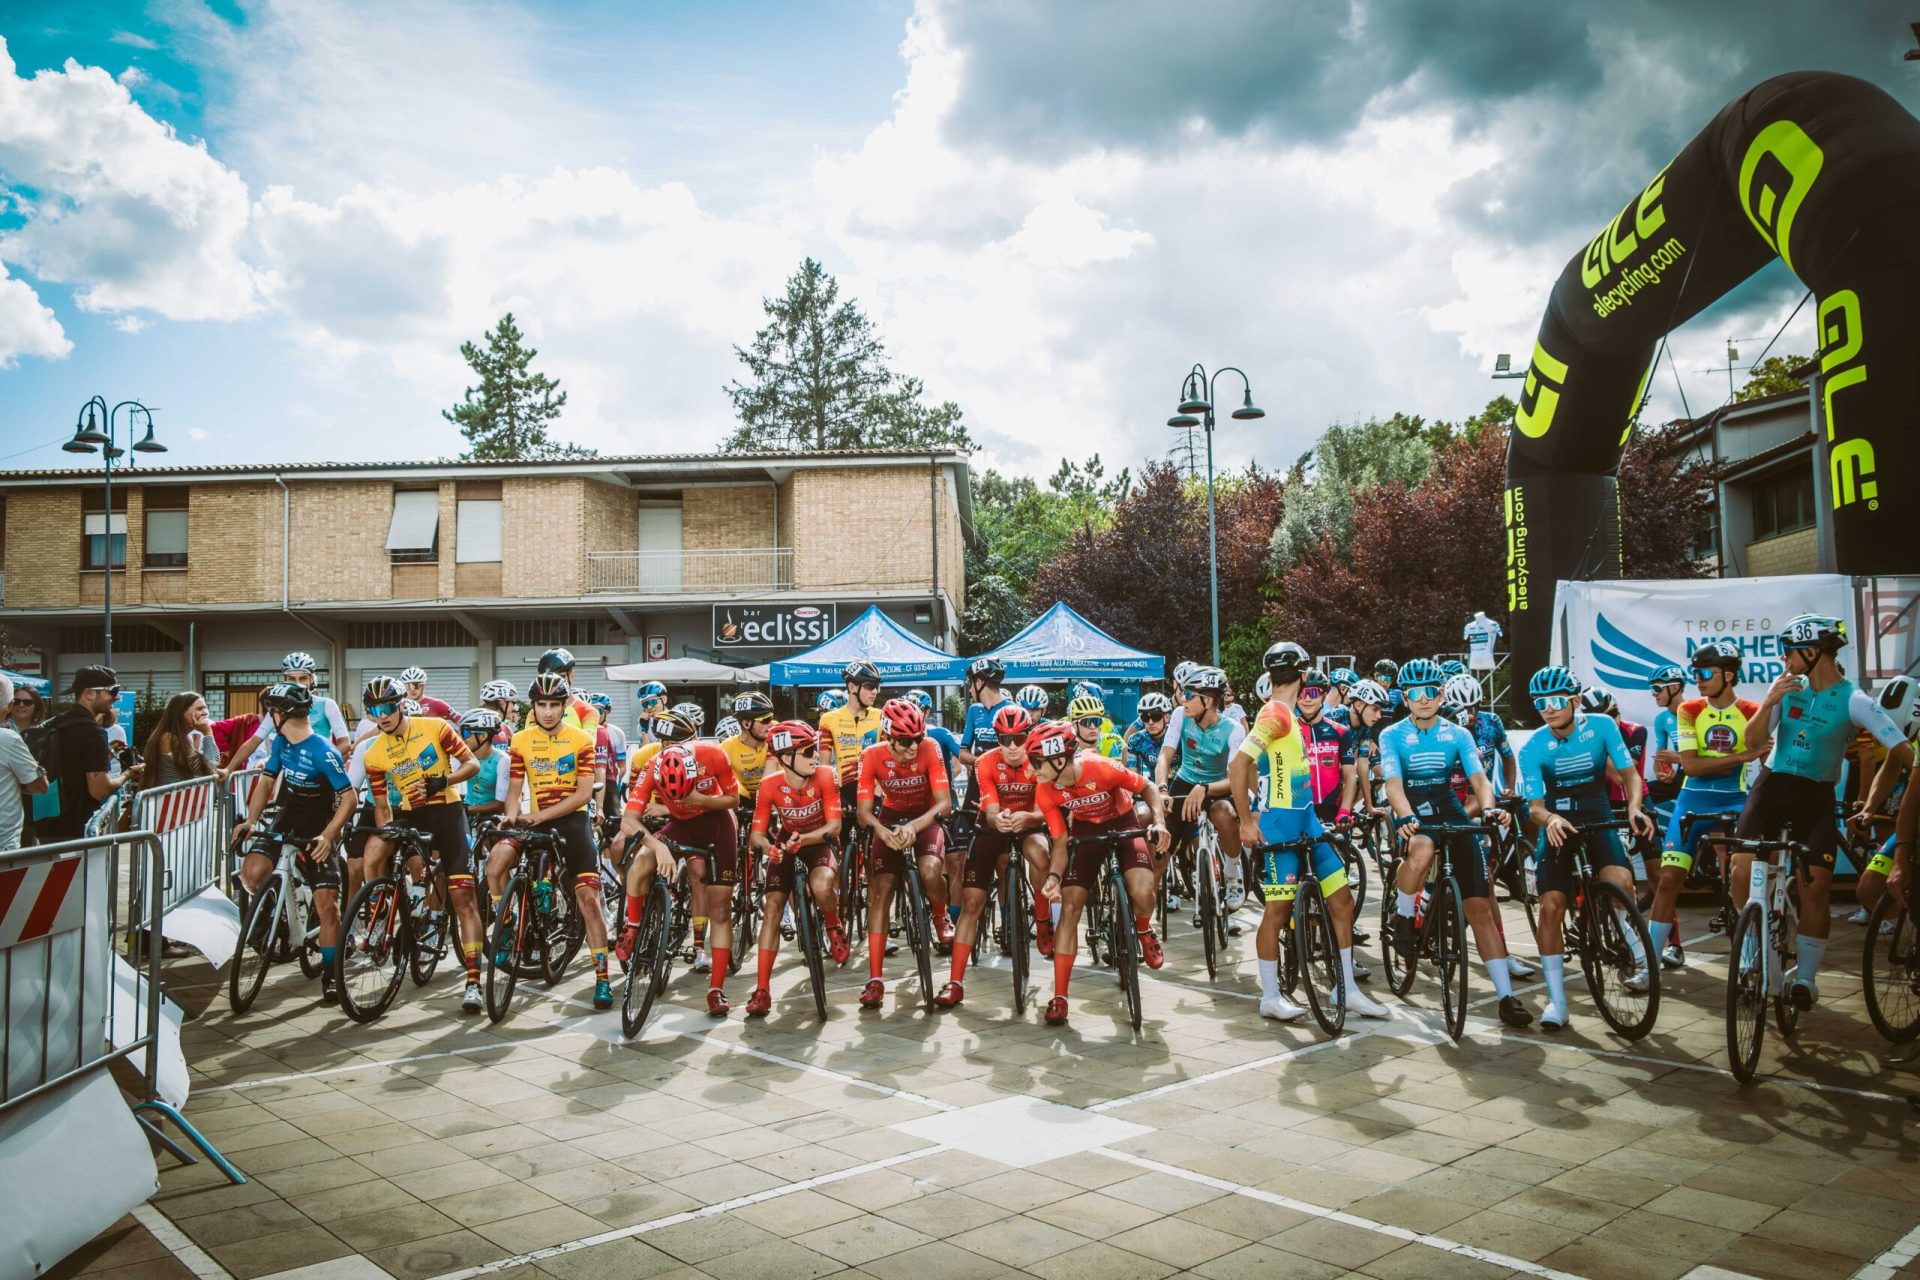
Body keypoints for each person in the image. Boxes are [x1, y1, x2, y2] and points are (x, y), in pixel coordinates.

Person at [1737, 614, 1912, 1009]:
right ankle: (1751, 947)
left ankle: (1806, 979)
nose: (1784, 659)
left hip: (1815, 794)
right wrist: (1769, 701)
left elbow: (1902, 749)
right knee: (1741, 870)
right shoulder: (1786, 686)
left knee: (1815, 887)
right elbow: (1752, 740)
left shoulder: (1854, 699)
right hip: (1772, 785)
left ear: (1813, 652)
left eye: (1789, 651)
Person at [1231, 642, 1389, 1022]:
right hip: (1279, 825)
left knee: (1341, 900)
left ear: (1271, 675)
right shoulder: (1276, 713)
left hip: (1306, 819)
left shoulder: (1284, 713)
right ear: (1303, 676)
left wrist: (1259, 795)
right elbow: (1238, 764)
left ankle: (1347, 988)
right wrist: (1248, 820)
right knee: (1277, 911)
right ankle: (1270, 997)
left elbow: (1251, 768)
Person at [1377, 658, 1525, 1028]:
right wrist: (1405, 816)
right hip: (1412, 805)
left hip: (1448, 806)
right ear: (1404, 698)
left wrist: (1488, 809)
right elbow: (1393, 784)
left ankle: (1506, 997)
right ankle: (1404, 916)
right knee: (1423, 848)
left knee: (1479, 907)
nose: (1423, 699)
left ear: (1441, 694)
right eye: (1414, 694)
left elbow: (1479, 779)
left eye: (1430, 692)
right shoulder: (1391, 734)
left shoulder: (1458, 733)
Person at [1519, 665, 1658, 1030]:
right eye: (1540, 703)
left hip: (1597, 812)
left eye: (1556, 700)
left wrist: (1634, 808)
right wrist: (1550, 819)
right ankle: (1557, 1000)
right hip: (1558, 820)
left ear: (1576, 701)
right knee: (1551, 906)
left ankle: (1620, 930)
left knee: (1620, 882)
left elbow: (1630, 776)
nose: (1548, 709)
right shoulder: (1533, 747)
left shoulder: (1602, 726)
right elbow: (1535, 808)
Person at [358, 676, 484, 1012]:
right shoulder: (374, 753)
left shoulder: (435, 726)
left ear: (401, 705)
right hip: (411, 815)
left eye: (388, 708)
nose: (383, 716)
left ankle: (473, 981)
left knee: (464, 899)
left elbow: (473, 764)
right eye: (375, 711)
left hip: (448, 812)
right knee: (373, 848)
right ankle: (380, 912)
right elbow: (382, 806)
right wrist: (387, 834)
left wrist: (444, 780)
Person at [1032, 720, 1169, 1026]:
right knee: (1070, 908)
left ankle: (1143, 930)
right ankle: (1060, 996)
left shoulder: (1100, 766)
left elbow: (1147, 787)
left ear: (1058, 760)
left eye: (1036, 762)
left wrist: (1159, 822)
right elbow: (1060, 842)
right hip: (1085, 829)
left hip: (1122, 820)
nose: (1032, 769)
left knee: (1143, 892)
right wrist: (1053, 878)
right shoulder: (1045, 789)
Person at [493, 672, 613, 1007]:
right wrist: (511, 814)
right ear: (533, 706)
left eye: (554, 705)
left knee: (588, 899)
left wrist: (540, 816)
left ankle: (602, 978)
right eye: (542, 705)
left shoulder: (581, 739)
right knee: (496, 863)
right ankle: (508, 924)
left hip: (572, 822)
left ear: (564, 707)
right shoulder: (521, 740)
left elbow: (583, 795)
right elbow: (515, 790)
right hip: (535, 820)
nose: (548, 712)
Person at [231, 684, 357, 1004]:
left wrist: (328, 835)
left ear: (280, 714)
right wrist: (251, 821)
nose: (268, 717)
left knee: (327, 906)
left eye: (270, 712)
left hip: (320, 823)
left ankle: (331, 974)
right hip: (289, 814)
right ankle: (280, 911)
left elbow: (349, 799)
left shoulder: (323, 751)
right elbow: (266, 783)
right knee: (251, 873)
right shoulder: (281, 742)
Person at [1648, 641, 1762, 969]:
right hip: (1693, 798)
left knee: (1739, 878)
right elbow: (1692, 766)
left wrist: (1743, 757)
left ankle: (1751, 950)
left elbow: (1765, 754)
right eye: (1695, 673)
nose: (1697, 679)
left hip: (1734, 798)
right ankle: (1650, 966)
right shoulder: (1690, 710)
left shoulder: (1752, 711)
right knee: (1669, 880)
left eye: (1705, 673)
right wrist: (1741, 756)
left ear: (1729, 675)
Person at [939, 704, 1051, 1007]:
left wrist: (1027, 818)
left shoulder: (1040, 759)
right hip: (992, 825)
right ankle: (955, 982)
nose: (1012, 746)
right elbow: (988, 809)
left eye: (1019, 738)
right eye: (1005, 739)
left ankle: (1042, 918)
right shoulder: (985, 761)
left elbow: (1044, 809)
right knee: (972, 903)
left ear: (1029, 736)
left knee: (1041, 852)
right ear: (997, 739)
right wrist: (997, 818)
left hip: (1029, 821)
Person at [624, 739, 742, 1015]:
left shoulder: (713, 755)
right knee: (641, 862)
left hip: (717, 823)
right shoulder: (652, 766)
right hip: (680, 825)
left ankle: (716, 989)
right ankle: (632, 929)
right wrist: (657, 845)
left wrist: (697, 799)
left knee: (720, 909)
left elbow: (733, 799)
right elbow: (628, 821)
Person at [743, 721, 850, 1015]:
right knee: (772, 909)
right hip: (786, 841)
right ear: (786, 758)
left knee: (821, 885)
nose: (815, 756)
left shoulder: (826, 775)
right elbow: (757, 835)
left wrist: (803, 839)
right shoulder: (769, 785)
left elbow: (835, 826)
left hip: (819, 839)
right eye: (807, 752)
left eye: (814, 749)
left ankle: (832, 925)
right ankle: (762, 989)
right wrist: (770, 848)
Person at [855, 697, 954, 1005]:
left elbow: (945, 805)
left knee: (929, 871)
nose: (913, 746)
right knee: (882, 890)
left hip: (926, 816)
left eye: (917, 738)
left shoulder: (929, 748)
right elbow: (864, 812)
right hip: (890, 819)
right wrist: (882, 831)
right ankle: (875, 979)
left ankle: (939, 915)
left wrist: (913, 827)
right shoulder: (871, 755)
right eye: (906, 740)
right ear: (888, 736)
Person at [1156, 666, 1247, 910]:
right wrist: (1162, 789)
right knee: (1159, 852)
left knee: (1224, 813)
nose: (1183, 700)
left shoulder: (1234, 729)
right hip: (1184, 781)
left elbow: (1236, 778)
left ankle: (1232, 872)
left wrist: (1205, 788)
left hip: (1217, 785)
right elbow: (1165, 756)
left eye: (1189, 694)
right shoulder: (1180, 715)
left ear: (1207, 700)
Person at [39, 666, 122, 843]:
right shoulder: (93, 733)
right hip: (77, 827)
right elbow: (99, 790)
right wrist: (128, 774)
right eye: (113, 691)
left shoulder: (56, 723)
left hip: (46, 822)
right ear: (89, 693)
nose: (117, 697)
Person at [819, 661, 884, 818]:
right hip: (843, 793)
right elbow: (824, 767)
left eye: (876, 686)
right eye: (870, 686)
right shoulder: (828, 719)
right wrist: (835, 795)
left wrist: (877, 797)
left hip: (872, 792)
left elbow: (885, 763)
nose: (875, 691)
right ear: (852, 687)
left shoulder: (881, 716)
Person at [0, 674, 49, 851]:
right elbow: (40, 786)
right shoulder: (8, 738)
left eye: (27, 702)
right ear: (10, 706)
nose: (21, 705)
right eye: (17, 702)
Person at [140, 692, 221, 787]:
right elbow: (210, 767)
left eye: (205, 707)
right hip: (170, 795)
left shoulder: (184, 738)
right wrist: (208, 733)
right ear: (181, 713)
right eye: (199, 709)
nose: (205, 712)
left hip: (179, 794)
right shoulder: (169, 738)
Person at [458, 710, 509, 820]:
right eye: (460, 733)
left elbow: (500, 805)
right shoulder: (465, 756)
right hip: (467, 808)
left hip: (489, 815)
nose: (461, 738)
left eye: (465, 733)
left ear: (483, 736)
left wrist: (467, 809)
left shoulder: (502, 760)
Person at [1126, 692, 1172, 778]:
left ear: (1167, 717)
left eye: (1156, 717)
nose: (1150, 722)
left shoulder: (1179, 736)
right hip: (1153, 785)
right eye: (1145, 718)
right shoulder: (1136, 740)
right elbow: (1132, 775)